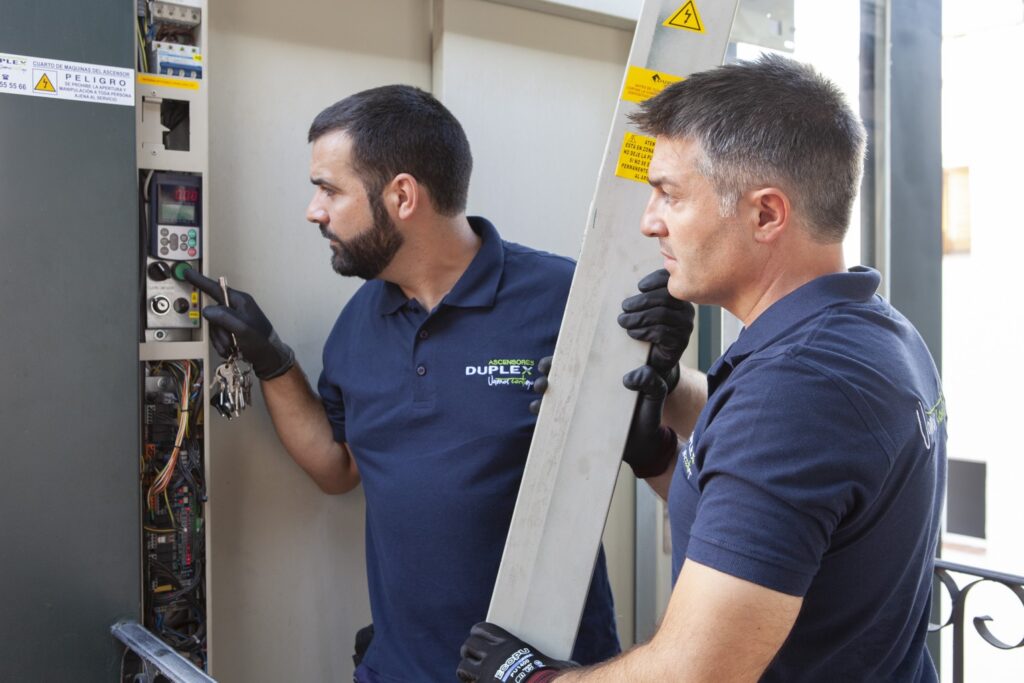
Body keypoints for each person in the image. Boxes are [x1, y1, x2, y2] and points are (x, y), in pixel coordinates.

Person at [457, 54, 947, 683]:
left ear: (766, 214)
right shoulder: (875, 331)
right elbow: (784, 534)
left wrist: (531, 680)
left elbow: (696, 674)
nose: (649, 220)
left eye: (670, 194)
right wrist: (664, 432)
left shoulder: (797, 389)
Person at [185, 85, 693, 682]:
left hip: (550, 672)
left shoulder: (567, 301)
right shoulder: (356, 326)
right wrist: (271, 361)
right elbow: (336, 468)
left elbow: (679, 434)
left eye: (329, 189)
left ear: (402, 195)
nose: (314, 210)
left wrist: (666, 373)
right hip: (399, 670)